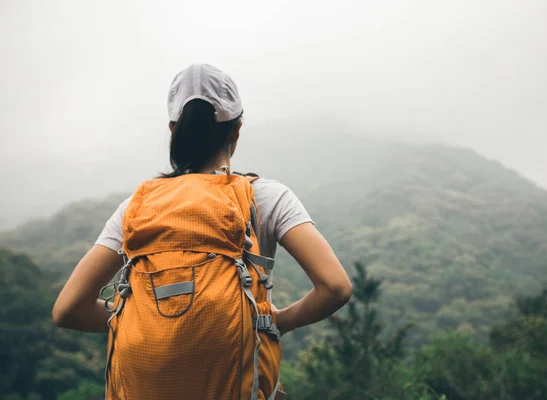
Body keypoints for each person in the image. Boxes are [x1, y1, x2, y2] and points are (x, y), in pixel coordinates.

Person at [52, 63, 352, 400]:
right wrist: (274, 320)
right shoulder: (266, 197)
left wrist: (142, 317)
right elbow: (335, 287)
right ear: (236, 130)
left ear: (172, 129)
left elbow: (68, 309)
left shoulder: (135, 208)